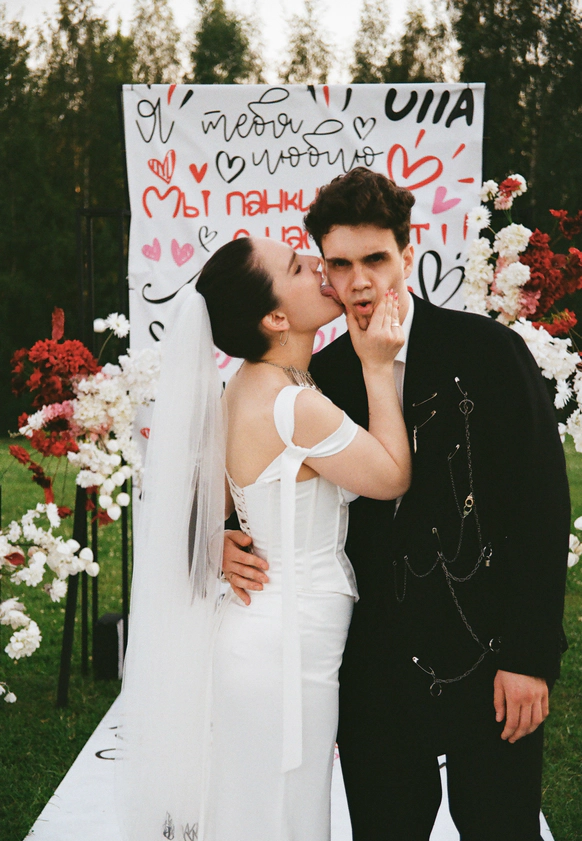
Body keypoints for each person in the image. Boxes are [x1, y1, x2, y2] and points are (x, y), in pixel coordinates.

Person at [223, 167, 570, 841]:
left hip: (490, 658)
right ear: (323, 268)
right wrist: (219, 537)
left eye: (376, 259)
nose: (359, 282)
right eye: (339, 264)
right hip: (374, 676)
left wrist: (530, 656)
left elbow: (541, 508)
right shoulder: (316, 381)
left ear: (408, 255)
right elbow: (255, 469)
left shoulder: (491, 352)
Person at [117, 234, 411, 841]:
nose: (319, 266)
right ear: (276, 318)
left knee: (266, 814)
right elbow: (391, 477)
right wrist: (379, 368)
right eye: (299, 268)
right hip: (285, 652)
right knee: (282, 816)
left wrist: (216, 543)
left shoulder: (244, 387)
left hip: (265, 638)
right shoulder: (293, 404)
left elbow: (206, 507)